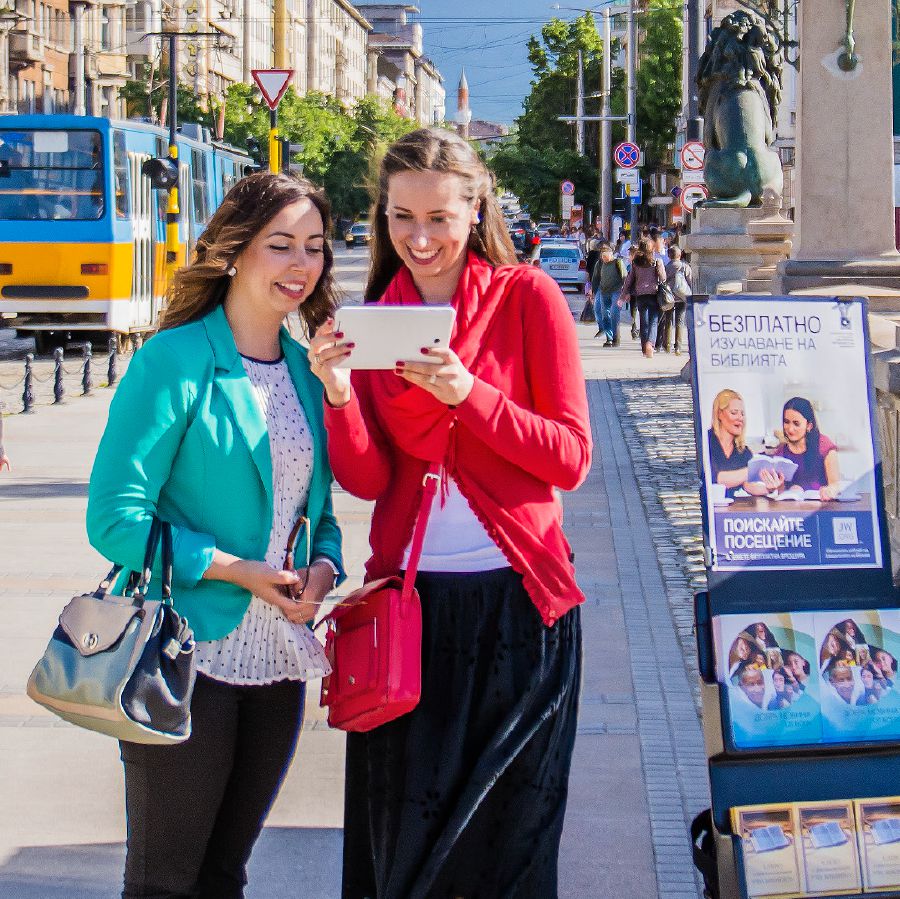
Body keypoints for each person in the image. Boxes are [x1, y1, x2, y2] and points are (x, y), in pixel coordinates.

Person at [309, 127, 591, 899]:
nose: (421, 237)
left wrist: (472, 397)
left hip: (520, 607)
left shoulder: (526, 296)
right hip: (410, 613)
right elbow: (368, 479)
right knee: (409, 848)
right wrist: (338, 393)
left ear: (476, 210)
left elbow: (570, 455)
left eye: (439, 217)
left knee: (510, 849)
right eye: (402, 217)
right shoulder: (373, 317)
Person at [87, 172, 345, 899]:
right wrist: (235, 568)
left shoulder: (305, 369)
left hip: (277, 660)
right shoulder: (173, 359)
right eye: (281, 245)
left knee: (225, 874)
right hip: (182, 653)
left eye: (315, 248)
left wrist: (324, 568)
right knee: (166, 880)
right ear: (235, 250)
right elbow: (112, 516)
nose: (302, 265)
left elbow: (319, 513)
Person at [707, 389, 784, 497]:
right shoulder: (705, 443)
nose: (740, 418)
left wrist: (769, 488)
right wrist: (752, 470)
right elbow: (716, 478)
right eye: (734, 413)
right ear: (719, 414)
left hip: (731, 511)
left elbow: (749, 485)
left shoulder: (743, 452)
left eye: (742, 414)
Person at [772, 396, 841, 500]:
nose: (790, 429)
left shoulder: (824, 446)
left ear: (809, 426)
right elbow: (780, 491)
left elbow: (835, 484)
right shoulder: (781, 452)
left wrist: (829, 490)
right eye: (786, 422)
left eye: (796, 423)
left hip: (822, 507)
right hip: (792, 509)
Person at [617, 237, 666, 358]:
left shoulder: (636, 262)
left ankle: (644, 348)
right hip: (654, 294)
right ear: (651, 247)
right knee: (654, 321)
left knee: (643, 322)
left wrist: (623, 296)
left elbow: (629, 280)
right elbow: (663, 277)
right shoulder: (656, 261)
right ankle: (650, 343)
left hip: (640, 295)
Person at [591, 242, 626, 346]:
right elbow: (595, 278)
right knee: (605, 314)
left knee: (614, 312)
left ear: (611, 255)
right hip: (604, 292)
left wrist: (625, 293)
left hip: (616, 291)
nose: (604, 259)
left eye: (606, 257)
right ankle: (609, 338)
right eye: (603, 257)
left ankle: (616, 337)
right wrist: (593, 291)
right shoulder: (600, 264)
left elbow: (625, 277)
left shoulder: (618, 262)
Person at [663, 245, 692, 355]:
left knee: (668, 320)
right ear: (679, 255)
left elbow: (662, 280)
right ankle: (678, 347)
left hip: (669, 297)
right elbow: (690, 281)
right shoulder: (685, 267)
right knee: (680, 321)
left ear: (669, 256)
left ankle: (667, 345)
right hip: (682, 297)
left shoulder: (666, 267)